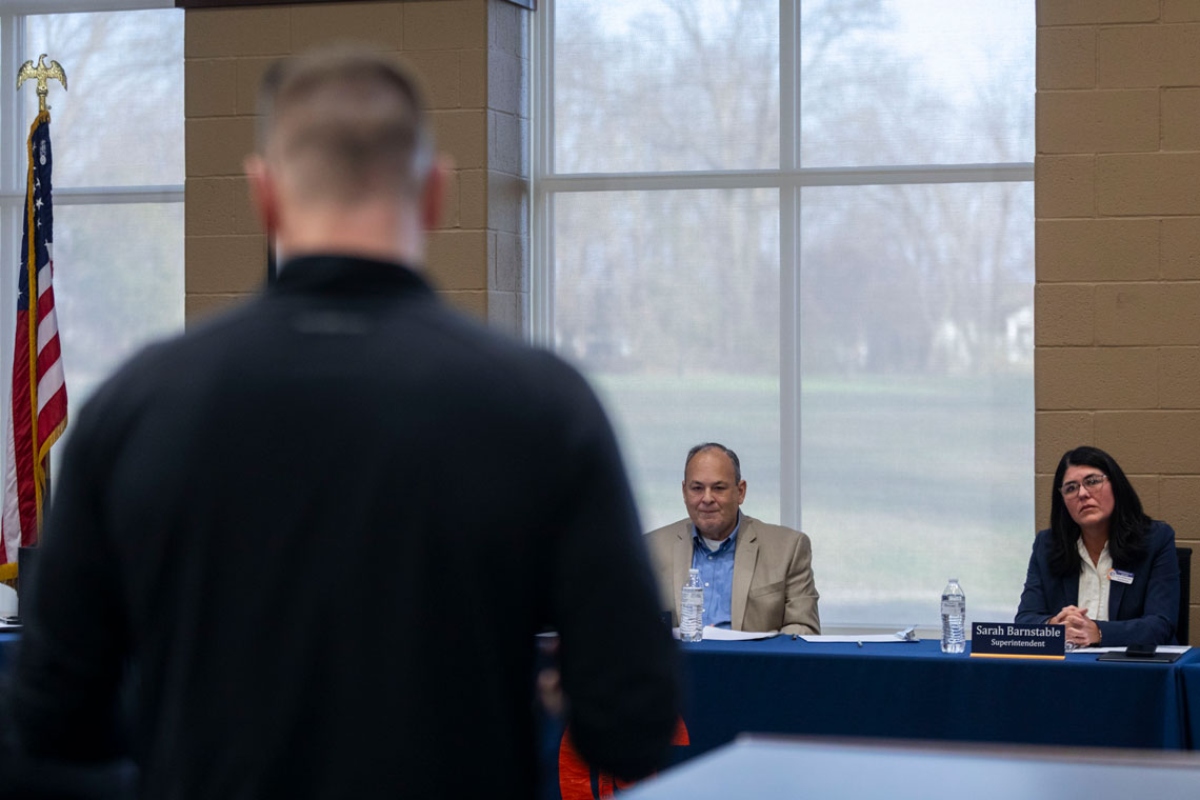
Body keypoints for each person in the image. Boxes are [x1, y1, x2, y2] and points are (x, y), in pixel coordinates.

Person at [3, 48, 679, 799]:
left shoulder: (135, 407)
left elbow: (54, 720)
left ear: (264, 196)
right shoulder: (544, 408)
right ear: (434, 192)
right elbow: (634, 719)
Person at [644, 443, 820, 636]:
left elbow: (804, 629)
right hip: (681, 664)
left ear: (740, 491)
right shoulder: (651, 549)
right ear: (685, 492)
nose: (707, 498)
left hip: (753, 663)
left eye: (718, 488)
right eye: (697, 488)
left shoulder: (788, 549)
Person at [1015, 445, 1179, 647]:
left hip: (1133, 669)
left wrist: (1099, 632)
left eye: (1092, 482)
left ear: (1115, 485)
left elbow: (1160, 625)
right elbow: (1025, 619)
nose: (1082, 493)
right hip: (1068, 668)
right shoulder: (1047, 545)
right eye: (1071, 488)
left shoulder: (1155, 540)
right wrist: (1054, 626)